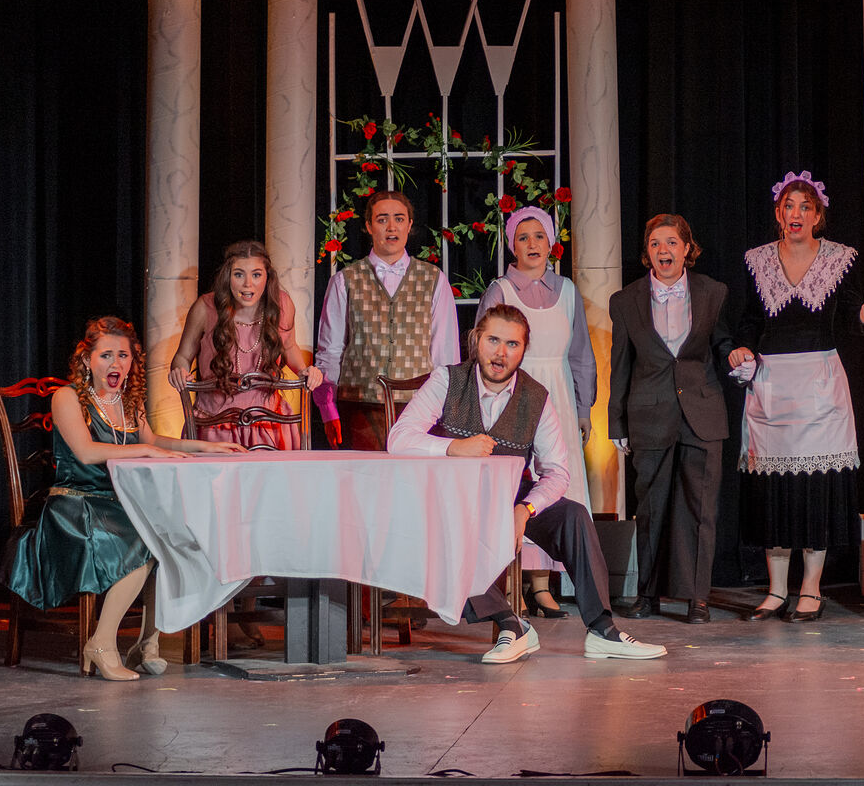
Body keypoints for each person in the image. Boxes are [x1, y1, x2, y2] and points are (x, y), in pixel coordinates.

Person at [386, 304, 665, 662]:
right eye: (493, 340)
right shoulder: (447, 380)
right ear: (476, 340)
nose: (500, 353)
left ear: (523, 350)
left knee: (574, 516)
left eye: (512, 344)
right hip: (451, 500)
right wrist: (454, 447)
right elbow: (399, 438)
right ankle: (511, 624)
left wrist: (525, 509)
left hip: (510, 496)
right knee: (451, 531)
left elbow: (557, 472)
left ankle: (602, 630)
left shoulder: (536, 397)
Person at [3, 316, 246, 680]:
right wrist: (145, 451)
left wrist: (205, 447)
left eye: (123, 355)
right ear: (86, 359)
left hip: (118, 504)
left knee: (172, 537)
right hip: (75, 504)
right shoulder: (67, 397)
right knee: (143, 539)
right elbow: (86, 452)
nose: (115, 363)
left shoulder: (128, 401)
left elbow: (154, 441)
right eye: (106, 355)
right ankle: (101, 644)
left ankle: (146, 644)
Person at [729, 171, 864, 623]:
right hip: (772, 384)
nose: (796, 213)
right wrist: (741, 347)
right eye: (789, 206)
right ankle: (776, 590)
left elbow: (847, 317)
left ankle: (810, 589)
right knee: (773, 490)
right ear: (778, 214)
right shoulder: (757, 260)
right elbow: (750, 319)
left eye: (805, 206)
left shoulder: (840, 258)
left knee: (814, 489)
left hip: (820, 382)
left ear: (818, 215)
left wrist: (861, 315)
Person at [608, 214, 732, 624]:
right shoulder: (625, 300)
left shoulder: (713, 292)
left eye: (672, 242)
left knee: (701, 508)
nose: (664, 250)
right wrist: (617, 422)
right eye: (656, 243)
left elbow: (722, 344)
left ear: (686, 248)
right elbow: (620, 365)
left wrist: (739, 359)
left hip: (702, 411)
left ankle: (698, 597)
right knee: (651, 508)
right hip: (649, 414)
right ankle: (648, 595)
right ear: (648, 253)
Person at [475, 206, 595, 618]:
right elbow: (483, 350)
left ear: (551, 242)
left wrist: (583, 407)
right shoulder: (501, 290)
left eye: (539, 236)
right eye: (523, 238)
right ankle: (516, 584)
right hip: (516, 396)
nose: (532, 244)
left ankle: (543, 586)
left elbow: (581, 354)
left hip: (557, 394)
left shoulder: (567, 291)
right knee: (519, 485)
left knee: (555, 485)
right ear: (512, 245)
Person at [315, 190, 460, 449]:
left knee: (413, 475)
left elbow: (445, 353)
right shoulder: (345, 280)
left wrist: (445, 408)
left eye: (399, 219)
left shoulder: (433, 279)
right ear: (369, 226)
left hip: (418, 409)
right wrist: (328, 409)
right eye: (382, 219)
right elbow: (331, 350)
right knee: (361, 475)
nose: (391, 227)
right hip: (360, 407)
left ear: (409, 225)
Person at [169, 240, 322, 448]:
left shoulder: (281, 304)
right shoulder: (205, 308)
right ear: (227, 277)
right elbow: (183, 356)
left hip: (268, 422)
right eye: (239, 274)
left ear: (268, 277)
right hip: (216, 423)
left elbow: (289, 346)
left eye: (256, 275)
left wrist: (304, 370)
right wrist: (180, 371)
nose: (248, 284)